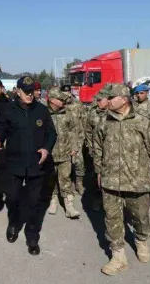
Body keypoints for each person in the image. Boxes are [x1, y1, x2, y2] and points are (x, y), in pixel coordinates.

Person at [93, 84, 150, 276]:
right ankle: (118, 256)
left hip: (137, 180)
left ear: (124, 99)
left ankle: (141, 240)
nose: (107, 101)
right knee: (112, 218)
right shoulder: (104, 122)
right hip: (110, 180)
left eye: (111, 98)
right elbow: (97, 147)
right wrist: (99, 170)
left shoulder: (143, 122)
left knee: (140, 217)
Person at [0, 75, 57, 257]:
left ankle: (32, 235)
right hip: (13, 164)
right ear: (18, 91)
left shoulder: (42, 110)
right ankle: (13, 222)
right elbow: (1, 130)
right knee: (12, 198)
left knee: (35, 203)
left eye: (32, 92)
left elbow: (51, 133)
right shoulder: (8, 110)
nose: (30, 95)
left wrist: (46, 148)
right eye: (26, 92)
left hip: (36, 164)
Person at [46, 87, 84, 218]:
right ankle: (53, 200)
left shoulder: (68, 113)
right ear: (51, 100)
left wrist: (74, 147)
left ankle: (69, 205)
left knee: (66, 178)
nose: (63, 101)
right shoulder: (44, 113)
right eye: (60, 99)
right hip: (49, 154)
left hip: (65, 153)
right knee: (51, 179)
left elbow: (75, 131)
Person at [84, 86, 113, 212]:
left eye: (100, 99)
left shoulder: (114, 113)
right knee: (96, 177)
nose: (97, 102)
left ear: (108, 100)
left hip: (112, 153)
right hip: (96, 152)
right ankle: (97, 199)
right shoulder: (93, 113)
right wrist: (91, 148)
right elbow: (88, 132)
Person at [61, 84, 86, 196]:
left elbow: (84, 119)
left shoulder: (77, 104)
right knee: (66, 163)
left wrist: (84, 135)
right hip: (64, 140)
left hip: (78, 138)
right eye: (64, 92)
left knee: (79, 162)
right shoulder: (60, 105)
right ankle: (68, 184)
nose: (67, 94)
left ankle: (79, 183)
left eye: (68, 92)